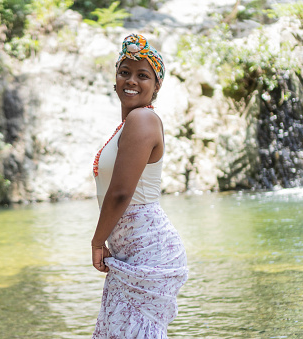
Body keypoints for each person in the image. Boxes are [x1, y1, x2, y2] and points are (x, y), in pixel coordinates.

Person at [91, 34, 188, 338]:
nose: (131, 81)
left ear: (156, 86)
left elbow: (121, 193)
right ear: (115, 79)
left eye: (142, 75)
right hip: (130, 253)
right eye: (124, 72)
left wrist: (97, 242)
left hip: (149, 251)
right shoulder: (130, 122)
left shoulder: (142, 120)